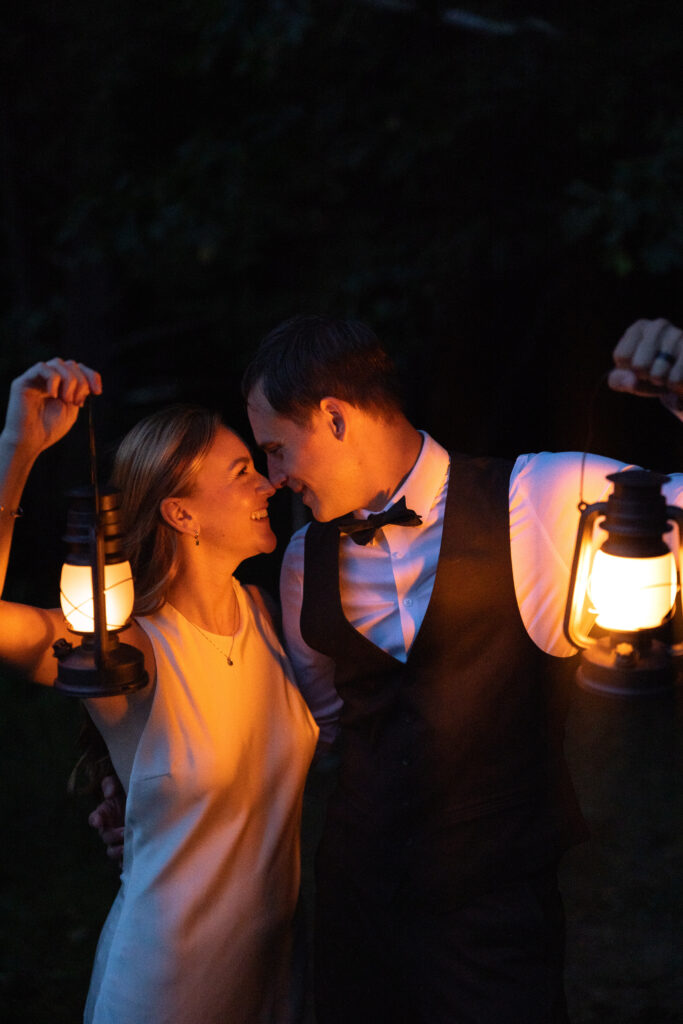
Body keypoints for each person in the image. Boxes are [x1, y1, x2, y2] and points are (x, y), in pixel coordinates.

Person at [239, 314, 683, 1024]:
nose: (274, 477)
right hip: (356, 920)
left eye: (276, 448)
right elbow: (321, 726)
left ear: (333, 417)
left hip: (496, 926)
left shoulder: (546, 495)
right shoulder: (300, 563)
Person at [0, 358, 319, 1024]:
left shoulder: (270, 612)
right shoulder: (127, 648)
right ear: (181, 512)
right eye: (242, 473)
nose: (268, 483)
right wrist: (17, 448)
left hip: (269, 987)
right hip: (162, 994)